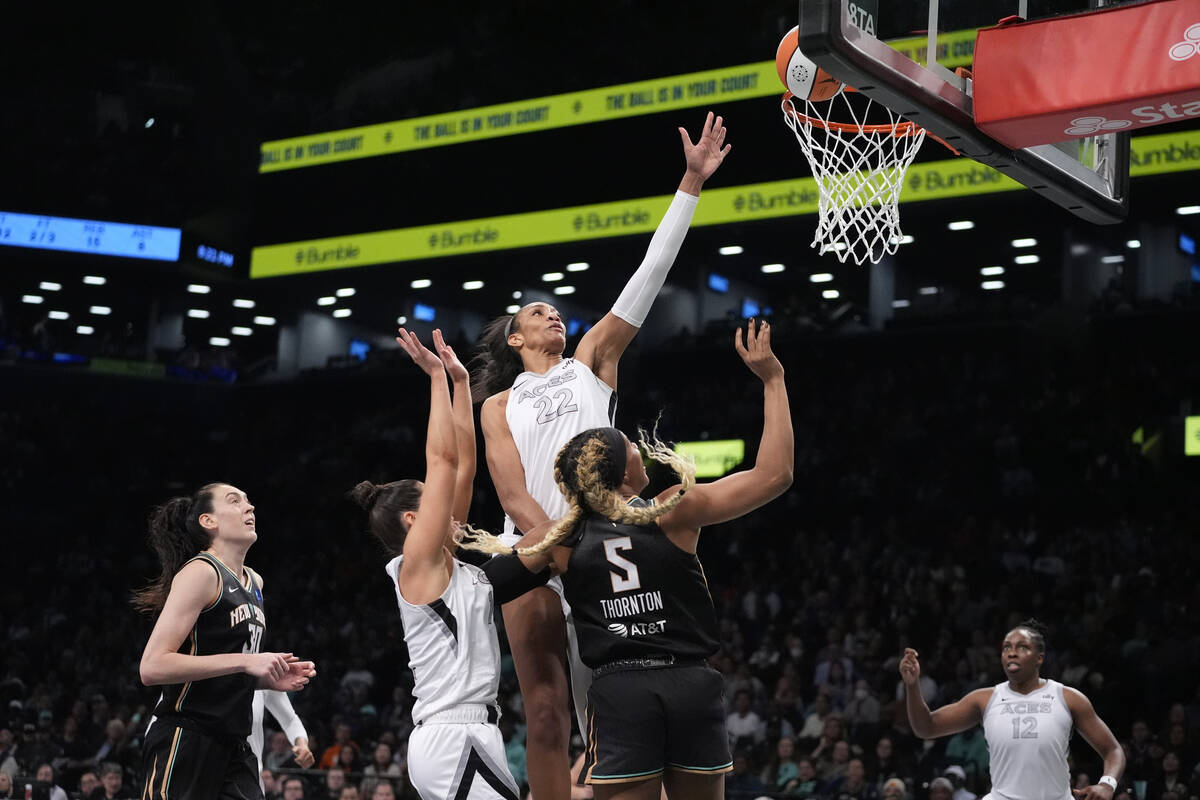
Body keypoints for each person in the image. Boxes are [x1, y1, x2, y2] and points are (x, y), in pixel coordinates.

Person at [471, 111, 731, 800]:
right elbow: (512, 490)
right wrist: (554, 547)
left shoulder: (592, 360)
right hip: (535, 548)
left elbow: (648, 274)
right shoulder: (498, 406)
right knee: (547, 716)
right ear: (515, 342)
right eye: (536, 313)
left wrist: (690, 183)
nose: (552, 314)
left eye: (555, 309)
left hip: (608, 546)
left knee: (609, 716)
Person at [465, 319, 792, 799]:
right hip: (691, 683)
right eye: (632, 446)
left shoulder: (562, 541)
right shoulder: (673, 510)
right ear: (624, 468)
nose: (639, 447)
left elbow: (482, 588)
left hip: (621, 690)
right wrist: (773, 380)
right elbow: (774, 475)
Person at [351, 328, 559, 799]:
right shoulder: (417, 563)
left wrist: (461, 383)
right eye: (433, 503)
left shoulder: (444, 563)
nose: (448, 508)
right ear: (412, 520)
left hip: (466, 735)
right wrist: (433, 377)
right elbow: (442, 460)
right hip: (454, 737)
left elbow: (463, 467)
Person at [134, 482, 317, 800]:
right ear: (209, 521)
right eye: (235, 501)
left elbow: (221, 664)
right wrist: (247, 662)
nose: (250, 507)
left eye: (249, 501)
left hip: (234, 744)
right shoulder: (202, 573)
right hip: (186, 736)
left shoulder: (254, 581)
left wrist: (263, 680)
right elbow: (152, 666)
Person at [900, 619, 1126, 800]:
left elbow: (1113, 750)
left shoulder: (1068, 697)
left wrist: (1107, 785)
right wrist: (912, 686)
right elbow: (926, 728)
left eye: (1022, 647)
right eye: (1007, 647)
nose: (1012, 652)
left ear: (1040, 658)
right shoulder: (984, 699)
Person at [249, 690, 313, 792]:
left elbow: (290, 720)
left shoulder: (260, 679)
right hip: (215, 774)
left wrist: (302, 744)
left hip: (249, 782)